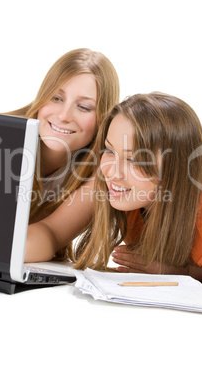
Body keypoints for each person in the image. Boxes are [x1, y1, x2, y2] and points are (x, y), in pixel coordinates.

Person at [72, 92, 202, 285]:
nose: (111, 172)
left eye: (133, 159)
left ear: (175, 169)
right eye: (109, 150)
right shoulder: (132, 199)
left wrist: (185, 272)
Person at [16, 48, 120, 262]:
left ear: (103, 117)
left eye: (83, 107)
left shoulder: (99, 174)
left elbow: (50, 234)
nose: (63, 116)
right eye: (56, 97)